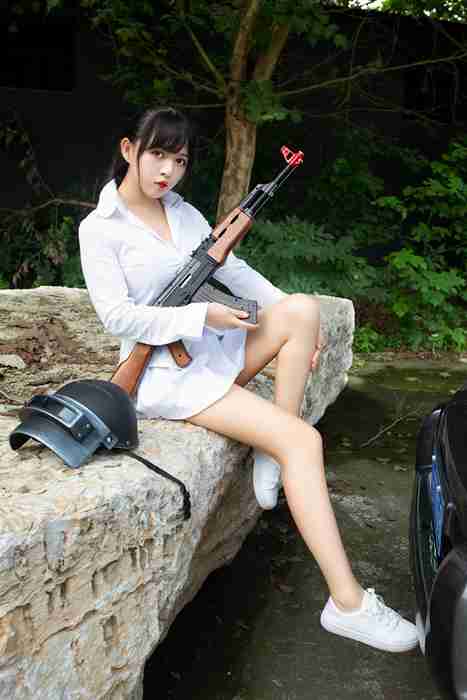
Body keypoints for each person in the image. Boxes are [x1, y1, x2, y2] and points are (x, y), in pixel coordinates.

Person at [79, 106, 418, 654]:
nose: (167, 171)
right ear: (128, 150)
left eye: (179, 160)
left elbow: (232, 271)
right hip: (168, 376)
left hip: (210, 357)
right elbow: (117, 318)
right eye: (156, 154)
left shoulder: (184, 213)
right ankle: (347, 603)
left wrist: (288, 312)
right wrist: (202, 316)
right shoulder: (100, 229)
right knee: (303, 441)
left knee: (303, 309)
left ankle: (271, 447)